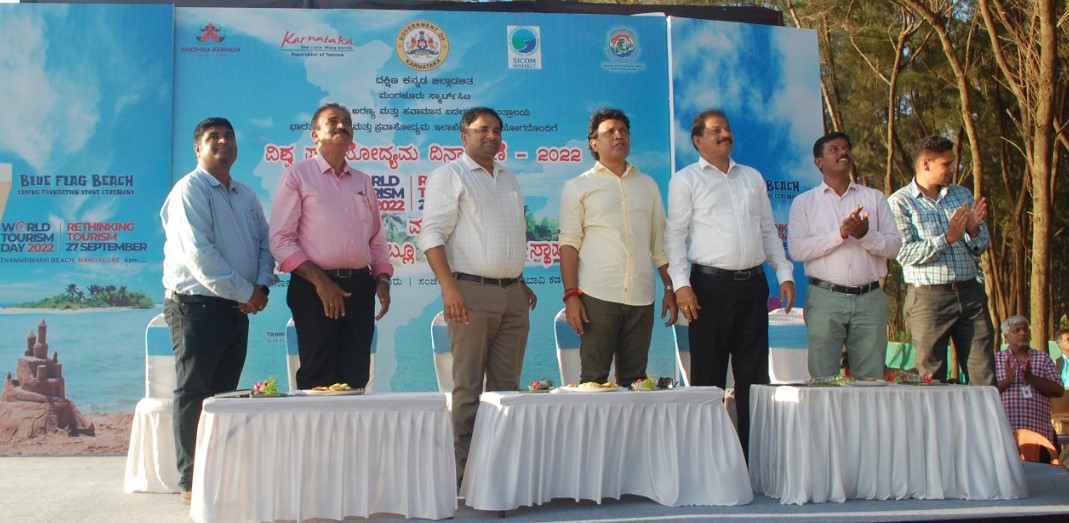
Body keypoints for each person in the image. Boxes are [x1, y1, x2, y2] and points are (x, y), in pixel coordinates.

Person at [665, 109, 795, 456]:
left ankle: (754, 458)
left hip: (753, 286)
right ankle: (705, 460)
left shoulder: (752, 177)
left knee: (754, 377)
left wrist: (783, 273)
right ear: (698, 140)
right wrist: (681, 285)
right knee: (708, 378)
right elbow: (675, 236)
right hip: (708, 289)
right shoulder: (686, 180)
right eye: (716, 130)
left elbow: (768, 230)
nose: (725, 134)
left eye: (727, 128)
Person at [161, 117, 277, 502]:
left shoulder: (246, 195)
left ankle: (220, 473)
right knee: (195, 392)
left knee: (224, 396)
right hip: (195, 308)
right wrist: (247, 292)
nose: (223, 142)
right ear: (198, 148)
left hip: (236, 309)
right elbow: (201, 256)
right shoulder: (189, 190)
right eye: (214, 137)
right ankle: (192, 480)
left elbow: (265, 245)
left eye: (229, 136)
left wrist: (261, 287)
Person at [419, 107, 537, 480]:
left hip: (512, 296)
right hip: (470, 294)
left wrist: (518, 280)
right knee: (468, 389)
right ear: (464, 136)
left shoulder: (509, 179)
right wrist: (449, 287)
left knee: (506, 392)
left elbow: (505, 235)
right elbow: (431, 235)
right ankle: (463, 474)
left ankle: (498, 474)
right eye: (482, 129)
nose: (491, 136)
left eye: (497, 130)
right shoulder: (450, 175)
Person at [270, 102, 392, 390]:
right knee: (318, 376)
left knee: (356, 377)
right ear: (315, 135)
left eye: (347, 122)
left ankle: (352, 423)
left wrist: (383, 279)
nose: (342, 125)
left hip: (360, 289)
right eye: (333, 121)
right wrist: (321, 282)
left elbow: (376, 239)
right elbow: (280, 240)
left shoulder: (363, 181)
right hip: (314, 289)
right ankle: (315, 424)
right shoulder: (298, 175)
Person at [558, 108, 678, 387]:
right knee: (593, 380)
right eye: (609, 132)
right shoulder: (578, 186)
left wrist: (670, 287)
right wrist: (571, 296)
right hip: (597, 295)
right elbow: (569, 245)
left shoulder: (647, 185)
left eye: (623, 131)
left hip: (642, 296)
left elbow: (660, 244)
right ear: (594, 143)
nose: (618, 136)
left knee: (636, 382)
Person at [788, 132, 902, 380]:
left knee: (870, 380)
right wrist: (840, 234)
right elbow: (797, 250)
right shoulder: (804, 202)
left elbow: (894, 247)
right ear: (819, 162)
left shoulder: (874, 198)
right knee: (824, 381)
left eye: (846, 148)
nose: (843, 152)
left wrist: (865, 235)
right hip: (825, 298)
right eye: (834, 149)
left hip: (870, 298)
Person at [888, 135, 995, 385]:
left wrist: (973, 231)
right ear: (925, 164)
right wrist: (947, 238)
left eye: (953, 162)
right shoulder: (900, 202)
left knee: (984, 373)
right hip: (928, 299)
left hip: (971, 293)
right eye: (946, 164)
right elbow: (904, 254)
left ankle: (983, 412)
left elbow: (981, 245)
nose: (953, 168)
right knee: (930, 376)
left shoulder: (961, 194)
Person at [995, 315, 1064, 458]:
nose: (1023, 333)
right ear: (1006, 336)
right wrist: (1008, 381)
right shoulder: (996, 360)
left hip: (1040, 436)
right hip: (1004, 436)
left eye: (1025, 329)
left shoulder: (1043, 358)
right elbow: (986, 393)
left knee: (1041, 471)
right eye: (1017, 330)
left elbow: (1058, 390)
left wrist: (1031, 378)